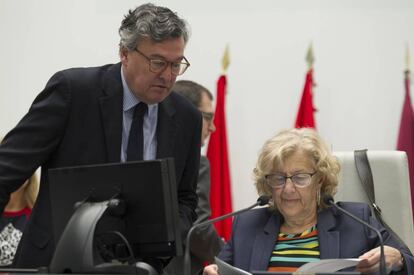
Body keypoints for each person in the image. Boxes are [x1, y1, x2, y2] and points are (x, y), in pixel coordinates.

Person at [0, 3, 201, 271]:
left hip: (142, 267)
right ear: (125, 53)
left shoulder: (187, 117)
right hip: (56, 263)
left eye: (177, 65)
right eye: (157, 63)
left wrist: (164, 238)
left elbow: (185, 198)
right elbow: (5, 171)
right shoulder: (73, 93)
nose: (168, 76)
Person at [203, 128, 414, 275]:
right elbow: (218, 270)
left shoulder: (356, 221)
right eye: (278, 178)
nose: (287, 188)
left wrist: (398, 259)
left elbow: (408, 263)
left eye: (299, 177)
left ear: (320, 180)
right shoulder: (247, 225)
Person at [164, 80, 224, 275]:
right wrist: (229, 255)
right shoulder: (196, 162)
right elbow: (198, 227)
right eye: (208, 117)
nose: (213, 127)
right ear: (187, 114)